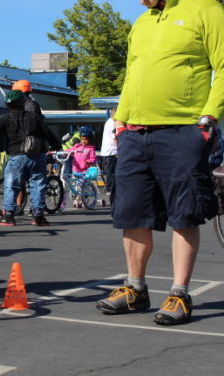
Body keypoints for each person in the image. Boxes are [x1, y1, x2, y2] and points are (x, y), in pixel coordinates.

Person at [95, 0, 224, 326]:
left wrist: (209, 117)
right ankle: (135, 289)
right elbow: (131, 74)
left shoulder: (206, 9)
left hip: (182, 130)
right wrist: (120, 120)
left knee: (184, 212)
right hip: (134, 134)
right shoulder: (142, 23)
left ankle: (180, 293)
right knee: (132, 213)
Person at [0, 90, 61, 226]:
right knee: (37, 185)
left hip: (17, 156)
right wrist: (56, 145)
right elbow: (47, 132)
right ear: (22, 102)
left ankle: (8, 216)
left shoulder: (5, 119)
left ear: (8, 105)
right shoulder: (33, 117)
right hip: (37, 156)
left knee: (11, 186)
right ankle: (38, 216)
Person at [65, 126, 97, 207]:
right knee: (74, 185)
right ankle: (80, 197)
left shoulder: (91, 149)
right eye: (82, 139)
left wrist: (89, 161)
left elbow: (93, 159)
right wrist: (63, 152)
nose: (84, 141)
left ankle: (77, 200)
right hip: (75, 170)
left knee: (79, 186)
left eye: (86, 139)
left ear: (89, 140)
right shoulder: (77, 146)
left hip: (84, 171)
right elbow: (70, 151)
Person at [100, 108, 118, 202]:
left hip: (106, 151)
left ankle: (110, 188)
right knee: (111, 171)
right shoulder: (112, 123)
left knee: (109, 171)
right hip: (111, 151)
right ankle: (110, 188)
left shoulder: (108, 122)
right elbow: (115, 137)